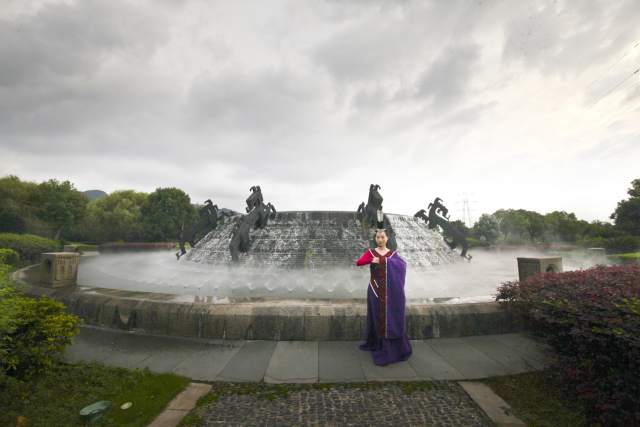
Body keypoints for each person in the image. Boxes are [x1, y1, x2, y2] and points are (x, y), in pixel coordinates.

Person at [356, 229, 412, 365]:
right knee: (376, 315)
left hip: (390, 290)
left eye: (382, 237)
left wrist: (384, 261)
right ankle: (377, 343)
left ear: (387, 238)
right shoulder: (371, 252)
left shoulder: (393, 254)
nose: (380, 240)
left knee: (389, 315)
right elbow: (359, 262)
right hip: (375, 288)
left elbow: (402, 266)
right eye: (377, 237)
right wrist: (374, 260)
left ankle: (390, 345)